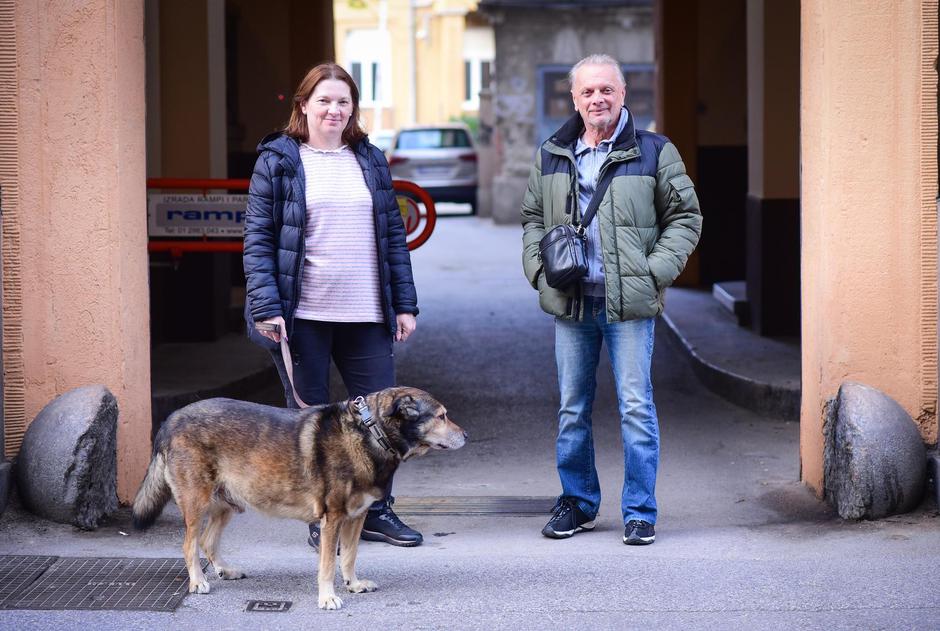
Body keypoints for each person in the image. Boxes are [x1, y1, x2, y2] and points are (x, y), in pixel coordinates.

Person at [520, 54, 702, 545]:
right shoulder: (553, 152)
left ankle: (640, 511)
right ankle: (577, 503)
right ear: (574, 99)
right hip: (573, 302)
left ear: (623, 95)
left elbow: (686, 218)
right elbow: (534, 218)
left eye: (606, 90)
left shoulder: (655, 151)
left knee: (636, 407)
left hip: (629, 307)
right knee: (572, 409)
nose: (597, 99)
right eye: (587, 92)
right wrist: (540, 272)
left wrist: (652, 272)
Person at [243, 62, 423, 549]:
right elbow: (258, 239)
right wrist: (266, 305)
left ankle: (378, 511)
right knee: (311, 421)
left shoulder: (369, 158)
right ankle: (320, 516)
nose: (334, 109)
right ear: (303, 105)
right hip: (302, 316)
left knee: (382, 420)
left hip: (366, 313)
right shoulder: (278, 160)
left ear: (353, 109)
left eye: (343, 101)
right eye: (324, 100)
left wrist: (404, 305)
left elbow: (392, 237)